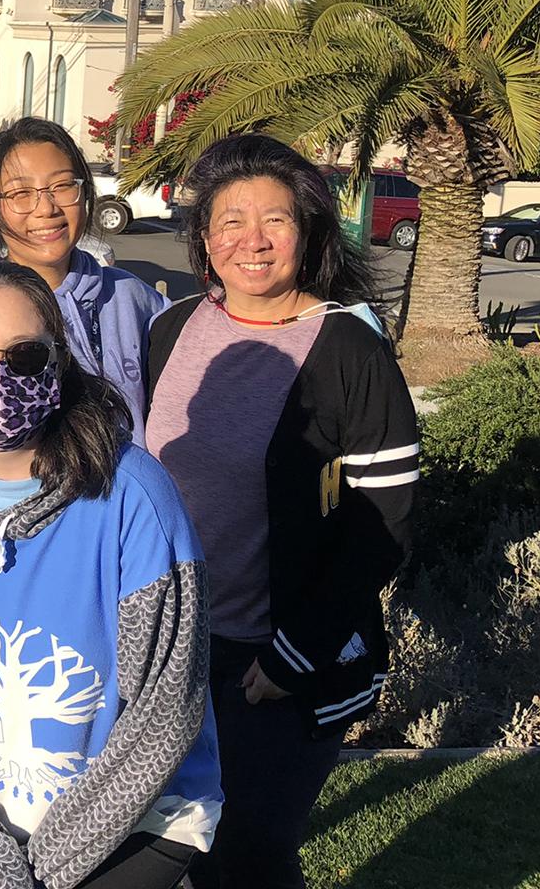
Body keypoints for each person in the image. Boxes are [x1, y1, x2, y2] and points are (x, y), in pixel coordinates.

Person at [0, 261, 222, 889]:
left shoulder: (135, 497)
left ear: (60, 365)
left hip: (138, 821)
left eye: (25, 356)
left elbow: (164, 713)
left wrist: (43, 872)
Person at [143, 134, 417, 889]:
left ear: (311, 233)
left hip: (276, 663)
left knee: (251, 853)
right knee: (182, 847)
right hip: (176, 654)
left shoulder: (349, 353)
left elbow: (383, 525)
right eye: (230, 221)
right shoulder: (174, 330)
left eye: (276, 220)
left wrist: (292, 655)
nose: (252, 241)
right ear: (202, 238)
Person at [0, 117, 167, 461]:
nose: (46, 208)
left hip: (122, 509)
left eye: (63, 186)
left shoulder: (136, 301)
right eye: (21, 193)